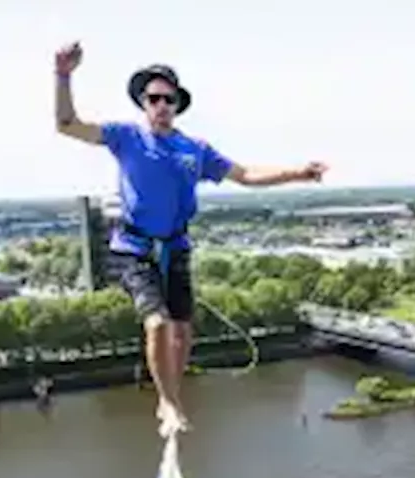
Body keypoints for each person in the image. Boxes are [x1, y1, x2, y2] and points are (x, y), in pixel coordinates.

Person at [52, 42, 327, 437]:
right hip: (135, 248)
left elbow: (246, 174)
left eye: (169, 99)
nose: (162, 105)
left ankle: (175, 396)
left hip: (176, 246)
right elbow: (67, 124)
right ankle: (165, 401)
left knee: (183, 332)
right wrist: (62, 75)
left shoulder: (193, 150)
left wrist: (297, 173)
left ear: (178, 104)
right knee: (158, 325)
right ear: (143, 103)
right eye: (154, 98)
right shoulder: (124, 136)